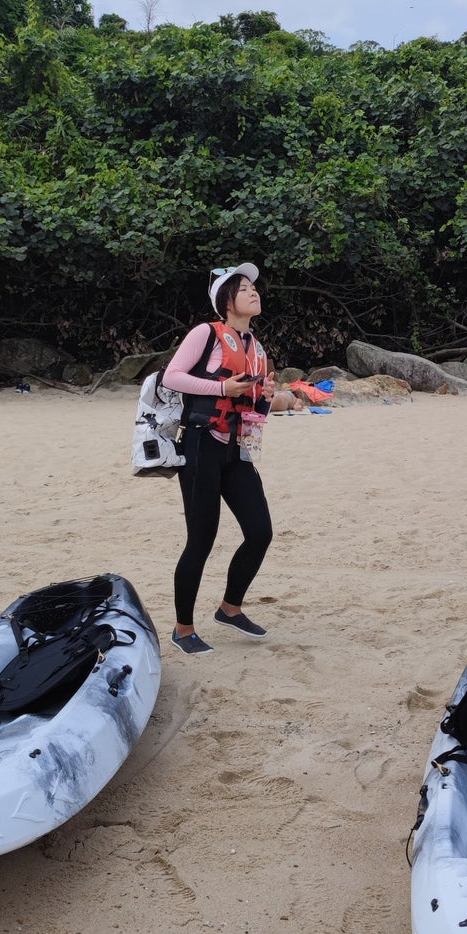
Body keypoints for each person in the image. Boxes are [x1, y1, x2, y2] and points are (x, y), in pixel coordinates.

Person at [161, 263, 276, 656]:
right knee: (201, 539)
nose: (253, 292)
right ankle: (183, 629)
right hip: (200, 445)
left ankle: (230, 608)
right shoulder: (205, 334)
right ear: (226, 301)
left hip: (237, 449)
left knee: (260, 531)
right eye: (243, 288)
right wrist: (221, 385)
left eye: (253, 288)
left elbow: (255, 405)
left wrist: (268, 398)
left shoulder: (256, 349)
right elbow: (171, 377)